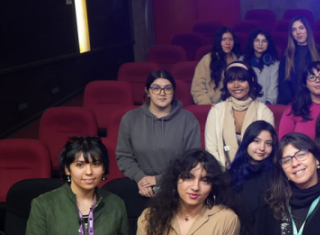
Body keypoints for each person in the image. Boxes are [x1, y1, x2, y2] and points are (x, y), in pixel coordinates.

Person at [116, 70, 201, 198]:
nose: (162, 93)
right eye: (156, 88)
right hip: (141, 186)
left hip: (178, 186)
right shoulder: (130, 119)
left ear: (173, 91)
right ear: (147, 91)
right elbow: (124, 156)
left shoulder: (188, 119)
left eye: (167, 88)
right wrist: (141, 179)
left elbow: (192, 159)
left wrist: (160, 179)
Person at [228, 121, 277, 235]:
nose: (262, 148)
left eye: (268, 143)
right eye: (257, 141)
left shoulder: (278, 176)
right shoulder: (229, 176)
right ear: (247, 142)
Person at [205, 63, 276, 168]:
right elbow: (211, 148)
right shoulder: (216, 111)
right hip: (222, 172)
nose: (236, 85)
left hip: (256, 171)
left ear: (251, 80)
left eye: (242, 80)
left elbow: (267, 147)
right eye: (231, 81)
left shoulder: (264, 112)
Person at [279, 61, 320, 139]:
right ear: (305, 83)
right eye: (312, 77)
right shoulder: (293, 109)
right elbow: (284, 142)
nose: (317, 80)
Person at [277, 16, 320, 105]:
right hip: (292, 104)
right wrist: (292, 104)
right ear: (291, 34)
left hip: (317, 102)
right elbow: (283, 84)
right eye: (294, 30)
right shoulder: (287, 55)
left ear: (307, 30)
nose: (298, 32)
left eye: (301, 28)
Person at [192, 27, 243, 105]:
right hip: (212, 104)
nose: (228, 43)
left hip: (235, 104)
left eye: (230, 39)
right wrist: (208, 105)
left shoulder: (238, 60)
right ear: (219, 41)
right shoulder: (207, 59)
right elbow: (198, 89)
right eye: (224, 39)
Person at [246, 28, 280, 105]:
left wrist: (267, 106)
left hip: (267, 105)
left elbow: (273, 88)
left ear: (268, 43)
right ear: (252, 42)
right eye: (257, 40)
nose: (260, 44)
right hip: (247, 105)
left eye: (264, 41)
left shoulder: (275, 63)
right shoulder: (243, 60)